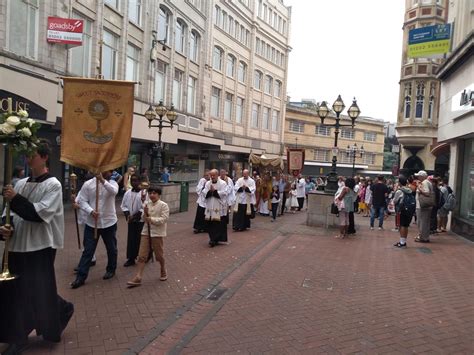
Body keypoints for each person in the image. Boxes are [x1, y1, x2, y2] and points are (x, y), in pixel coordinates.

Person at [0, 140, 74, 351]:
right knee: (15, 291)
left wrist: (15, 199)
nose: (29, 158)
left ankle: (19, 338)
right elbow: (9, 213)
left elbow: (39, 214)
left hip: (39, 246)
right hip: (16, 245)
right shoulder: (21, 183)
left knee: (32, 290)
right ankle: (60, 308)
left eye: (33, 154)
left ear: (44, 157)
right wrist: (4, 228)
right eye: (27, 154)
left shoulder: (53, 185)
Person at [70, 170, 119, 289]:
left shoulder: (112, 183)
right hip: (92, 223)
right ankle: (81, 277)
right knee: (88, 251)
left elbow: (114, 192)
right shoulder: (88, 184)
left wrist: (102, 180)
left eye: (108, 171)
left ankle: (111, 269)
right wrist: (90, 211)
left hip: (109, 222)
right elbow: (82, 200)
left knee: (111, 248)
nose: (107, 172)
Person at [127, 186, 169, 286]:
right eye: (150, 193)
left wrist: (151, 219)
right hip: (146, 232)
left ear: (159, 194)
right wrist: (145, 213)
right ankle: (138, 277)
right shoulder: (146, 204)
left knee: (159, 255)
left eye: (154, 193)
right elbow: (144, 219)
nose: (152, 195)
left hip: (157, 233)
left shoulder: (164, 205)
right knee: (142, 255)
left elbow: (164, 219)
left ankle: (163, 269)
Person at [120, 174, 145, 267]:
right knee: (131, 239)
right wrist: (127, 214)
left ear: (140, 181)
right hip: (131, 220)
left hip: (141, 220)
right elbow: (123, 205)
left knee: (141, 239)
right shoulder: (128, 193)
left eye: (136, 180)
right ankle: (131, 258)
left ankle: (144, 255)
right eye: (132, 181)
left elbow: (145, 206)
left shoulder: (144, 193)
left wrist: (136, 215)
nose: (134, 182)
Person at [204, 169, 228, 247]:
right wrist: (209, 192)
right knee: (210, 223)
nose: (212, 177)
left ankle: (215, 239)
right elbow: (204, 192)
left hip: (218, 206)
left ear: (218, 175)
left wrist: (214, 191)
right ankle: (212, 238)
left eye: (214, 175)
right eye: (211, 175)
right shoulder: (208, 183)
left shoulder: (223, 183)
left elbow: (224, 192)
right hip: (210, 206)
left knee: (217, 224)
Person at [392, 176, 415, 248]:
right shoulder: (409, 189)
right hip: (409, 209)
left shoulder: (399, 191)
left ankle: (402, 243)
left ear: (399, 183)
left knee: (402, 225)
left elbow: (395, 201)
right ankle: (403, 241)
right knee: (406, 226)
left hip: (402, 209)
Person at [414, 170, 433, 243]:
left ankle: (423, 237)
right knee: (425, 222)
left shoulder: (425, 183)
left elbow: (427, 193)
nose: (418, 177)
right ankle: (423, 236)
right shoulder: (427, 182)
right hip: (425, 206)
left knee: (422, 222)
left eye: (419, 176)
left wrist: (419, 188)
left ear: (422, 176)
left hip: (422, 206)